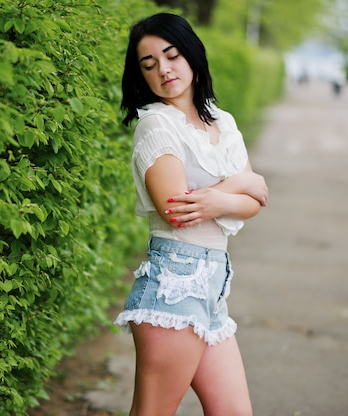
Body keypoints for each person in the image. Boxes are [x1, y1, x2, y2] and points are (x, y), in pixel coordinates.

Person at [113, 13, 268, 416]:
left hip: (214, 288)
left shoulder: (223, 121)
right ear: (142, 76)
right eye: (149, 65)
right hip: (174, 284)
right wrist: (237, 187)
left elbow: (257, 200)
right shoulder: (156, 126)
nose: (163, 70)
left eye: (172, 55)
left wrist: (217, 199)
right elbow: (177, 209)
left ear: (192, 55)